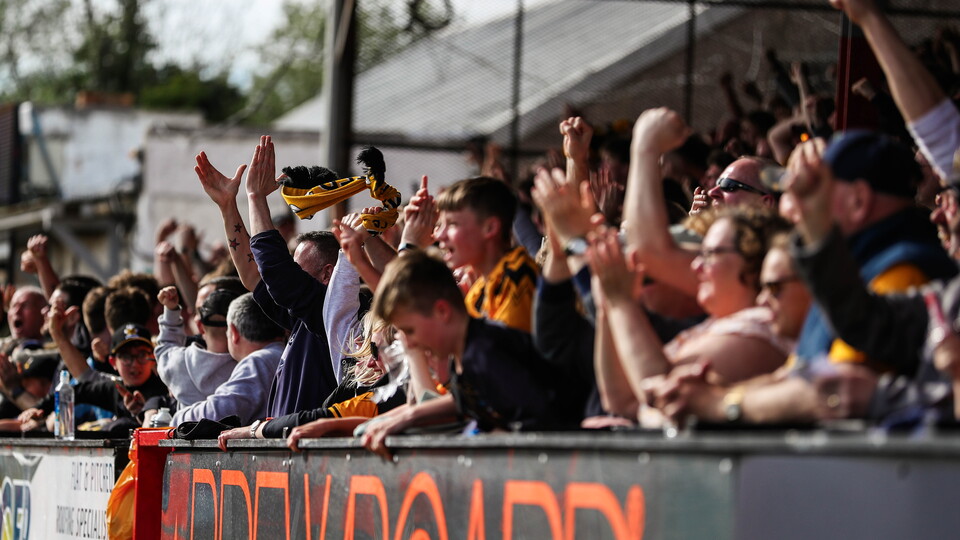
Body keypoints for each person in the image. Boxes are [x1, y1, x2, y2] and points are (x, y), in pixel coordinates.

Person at [654, 133, 957, 426]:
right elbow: (798, 372)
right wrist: (714, 394)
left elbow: (833, 388)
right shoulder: (851, 265)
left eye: (813, 187)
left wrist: (719, 403)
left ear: (858, 200)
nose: (791, 202)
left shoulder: (903, 269)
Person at [360, 251, 581, 459]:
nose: (409, 344)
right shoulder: (467, 354)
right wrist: (405, 418)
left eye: (409, 330)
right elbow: (462, 401)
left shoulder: (485, 354)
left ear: (442, 312)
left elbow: (540, 423)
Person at [589, 206, 793, 424]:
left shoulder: (761, 328)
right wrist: (607, 307)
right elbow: (620, 400)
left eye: (710, 254)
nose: (696, 266)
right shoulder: (713, 326)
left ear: (755, 264)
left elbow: (664, 394)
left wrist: (622, 302)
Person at [21, 323, 169, 436]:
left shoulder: (165, 389)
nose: (135, 364)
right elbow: (77, 390)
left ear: (153, 358)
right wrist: (40, 409)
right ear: (113, 362)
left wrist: (140, 414)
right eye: (126, 357)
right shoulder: (114, 387)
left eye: (142, 355)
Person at [167, 293, 285, 425]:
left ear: (233, 332)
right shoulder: (282, 353)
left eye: (227, 330)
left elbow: (217, 413)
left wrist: (176, 419)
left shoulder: (259, 361)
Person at [155, 286, 239, 407]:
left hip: (187, 425)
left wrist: (171, 311)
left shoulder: (180, 362)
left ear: (199, 326)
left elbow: (165, 346)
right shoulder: (249, 367)